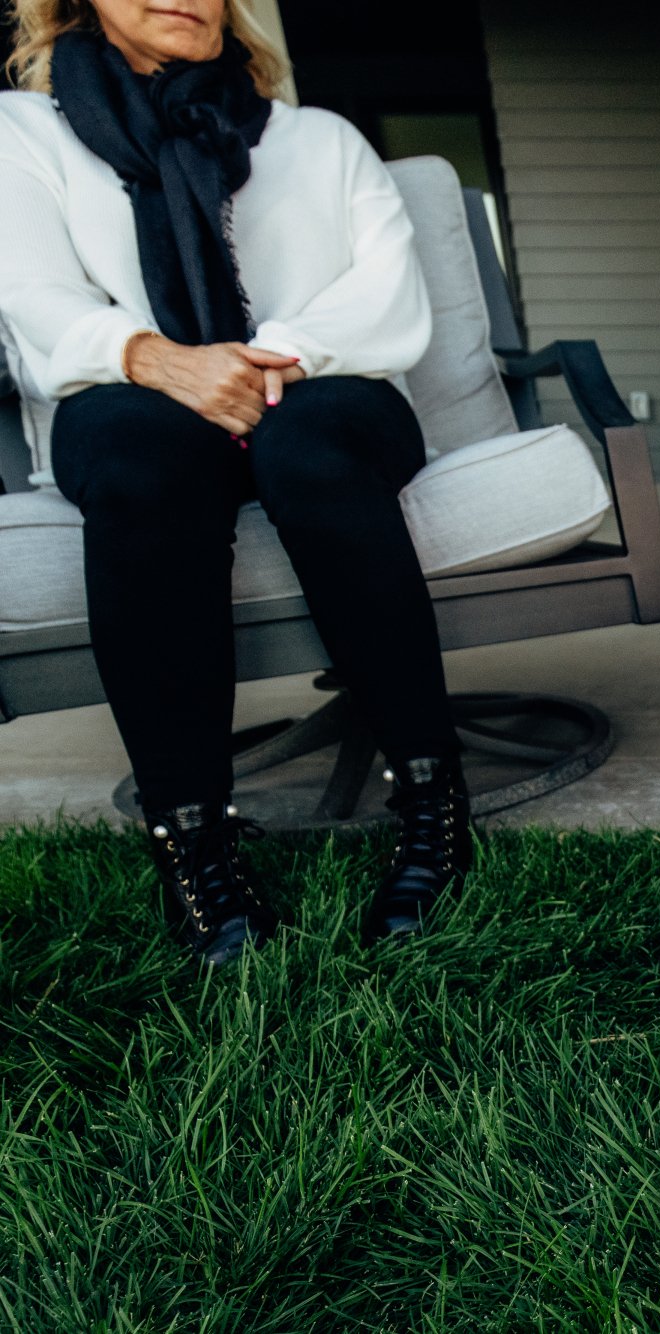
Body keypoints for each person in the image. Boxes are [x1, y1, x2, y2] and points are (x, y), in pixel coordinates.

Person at [0, 0, 471, 962]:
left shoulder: (319, 140)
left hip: (325, 383)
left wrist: (266, 361)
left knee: (310, 443)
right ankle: (193, 842)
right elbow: (32, 291)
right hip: (131, 391)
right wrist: (160, 359)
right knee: (140, 454)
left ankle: (432, 803)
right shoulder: (25, 137)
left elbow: (388, 290)